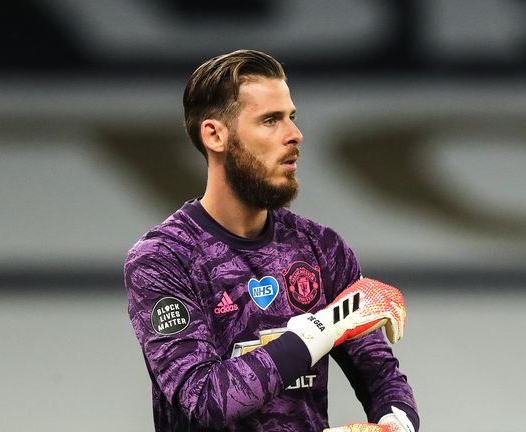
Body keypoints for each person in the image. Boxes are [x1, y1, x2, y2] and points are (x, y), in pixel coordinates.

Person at [124, 49, 419, 432]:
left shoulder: (320, 248)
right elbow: (207, 400)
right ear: (215, 135)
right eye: (270, 120)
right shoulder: (162, 260)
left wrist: (395, 425)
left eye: (291, 117)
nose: (295, 135)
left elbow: (381, 376)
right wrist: (327, 325)